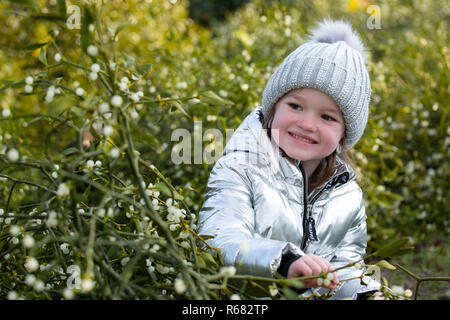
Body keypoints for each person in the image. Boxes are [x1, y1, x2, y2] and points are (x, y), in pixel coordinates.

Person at [197, 19, 380, 299]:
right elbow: (218, 237)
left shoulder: (348, 196)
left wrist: (362, 292)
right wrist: (281, 261)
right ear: (272, 108)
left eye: (327, 117)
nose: (307, 123)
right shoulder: (240, 168)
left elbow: (345, 266)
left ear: (344, 135)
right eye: (295, 106)